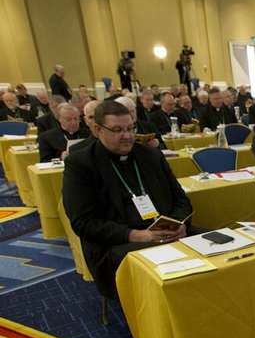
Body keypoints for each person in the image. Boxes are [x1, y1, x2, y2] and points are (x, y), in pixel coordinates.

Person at [62, 100, 197, 299]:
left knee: (223, 248)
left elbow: (180, 199)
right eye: (117, 130)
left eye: (129, 128)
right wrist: (136, 235)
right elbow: (84, 222)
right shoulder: (81, 164)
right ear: (98, 129)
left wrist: (179, 223)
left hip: (166, 232)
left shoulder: (151, 156)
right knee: (170, 270)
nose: (127, 136)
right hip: (116, 244)